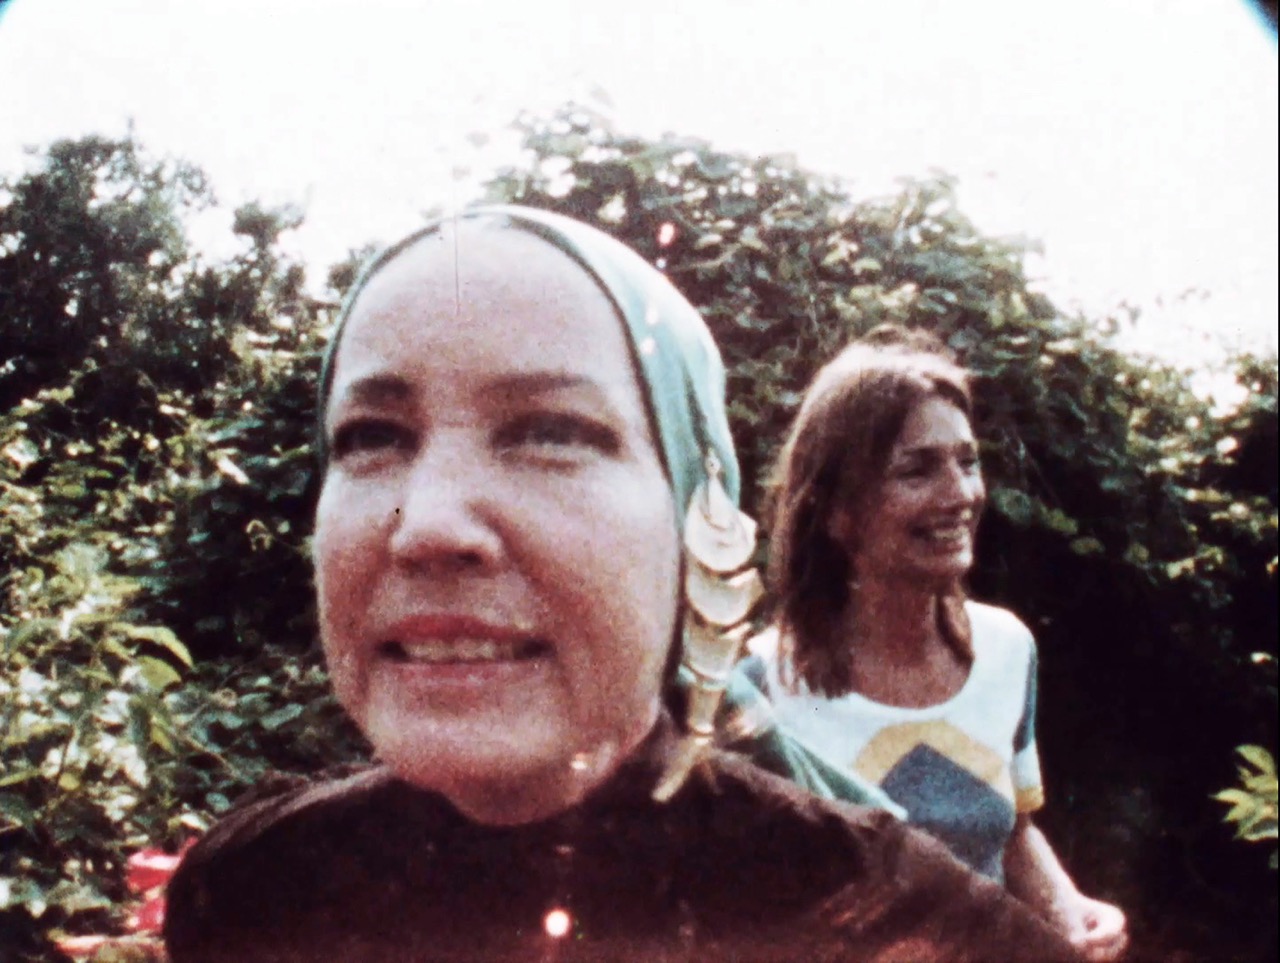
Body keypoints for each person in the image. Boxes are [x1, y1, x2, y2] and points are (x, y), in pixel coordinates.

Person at [163, 207, 1080, 961]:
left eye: (549, 431)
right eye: (371, 437)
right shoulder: (249, 896)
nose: (429, 523)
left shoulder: (890, 927)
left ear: (696, 518)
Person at [748, 328, 1128, 962]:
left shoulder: (1008, 652)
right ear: (837, 511)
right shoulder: (759, 690)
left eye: (967, 461)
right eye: (917, 469)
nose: (961, 494)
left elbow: (1012, 832)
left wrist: (1071, 911)